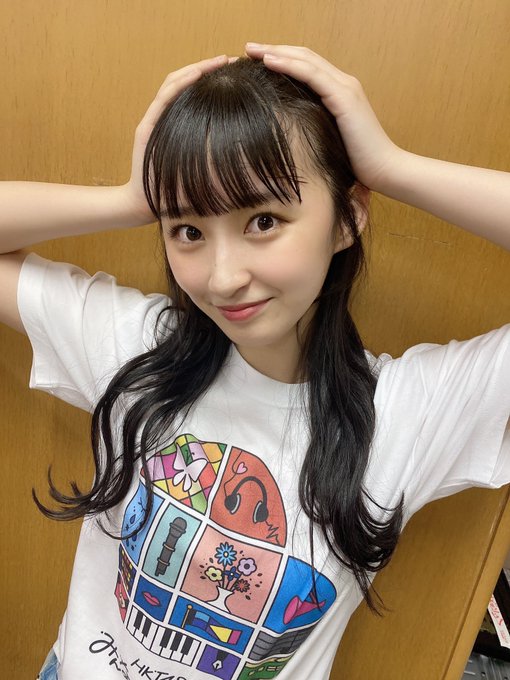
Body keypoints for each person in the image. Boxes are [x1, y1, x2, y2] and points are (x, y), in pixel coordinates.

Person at [1, 43, 509, 680]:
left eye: (263, 220)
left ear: (347, 217)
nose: (222, 277)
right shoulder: (135, 347)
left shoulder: (409, 413)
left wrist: (392, 167)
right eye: (188, 231)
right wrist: (133, 199)